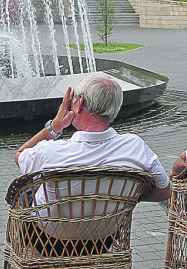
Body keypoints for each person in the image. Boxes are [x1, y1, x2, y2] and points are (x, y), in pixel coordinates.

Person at [14, 72, 171, 202]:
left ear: (80, 102)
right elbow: (164, 192)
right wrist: (125, 198)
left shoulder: (52, 152)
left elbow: (20, 155)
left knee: (27, 192)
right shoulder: (136, 147)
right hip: (107, 235)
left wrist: (54, 128)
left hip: (49, 238)